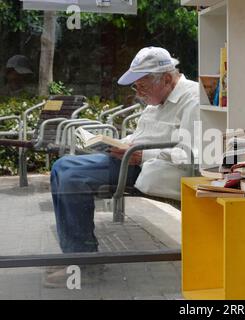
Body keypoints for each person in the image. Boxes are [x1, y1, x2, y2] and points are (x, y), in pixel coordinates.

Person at [45, 47, 199, 287]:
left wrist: (141, 154)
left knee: (71, 175)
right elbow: (140, 136)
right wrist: (116, 144)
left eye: (142, 86)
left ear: (167, 79)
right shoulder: (155, 100)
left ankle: (86, 265)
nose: (138, 93)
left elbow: (190, 154)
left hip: (155, 170)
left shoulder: (193, 98)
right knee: (61, 166)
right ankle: (74, 256)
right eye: (136, 86)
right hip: (133, 162)